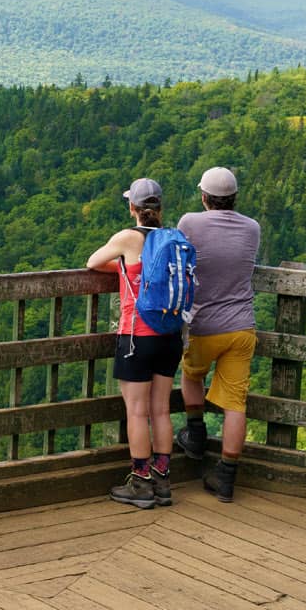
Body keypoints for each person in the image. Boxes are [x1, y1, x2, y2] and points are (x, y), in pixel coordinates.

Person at [87, 177, 182, 508]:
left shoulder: (127, 238)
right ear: (160, 208)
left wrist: (126, 270)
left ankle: (140, 483)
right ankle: (162, 479)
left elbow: (93, 262)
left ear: (133, 208)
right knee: (161, 409)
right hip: (170, 336)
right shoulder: (173, 238)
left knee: (137, 411)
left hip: (136, 337)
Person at [175, 166, 261, 502]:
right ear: (234, 197)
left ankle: (195, 435)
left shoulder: (190, 223)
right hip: (242, 326)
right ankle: (226, 477)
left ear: (203, 197)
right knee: (235, 403)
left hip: (203, 324)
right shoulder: (252, 228)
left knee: (192, 375)